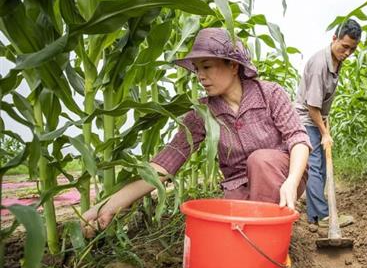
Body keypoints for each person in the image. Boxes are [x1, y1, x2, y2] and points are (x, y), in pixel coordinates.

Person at [82, 28, 311, 237]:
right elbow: (163, 166)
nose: (200, 76)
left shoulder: (270, 94)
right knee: (229, 231)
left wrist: (291, 181)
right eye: (197, 69)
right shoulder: (202, 113)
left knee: (260, 162)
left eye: (207, 66)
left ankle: (271, 240)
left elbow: (298, 139)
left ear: (233, 66)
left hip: (282, 176)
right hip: (239, 185)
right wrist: (108, 206)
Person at [295, 19, 362, 230]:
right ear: (334, 39)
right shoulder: (319, 65)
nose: (348, 52)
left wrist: (324, 124)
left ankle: (314, 215)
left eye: (352, 49)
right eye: (345, 47)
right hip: (306, 120)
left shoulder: (336, 60)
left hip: (317, 120)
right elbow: (312, 107)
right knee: (315, 166)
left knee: (322, 167)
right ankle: (323, 217)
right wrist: (325, 133)